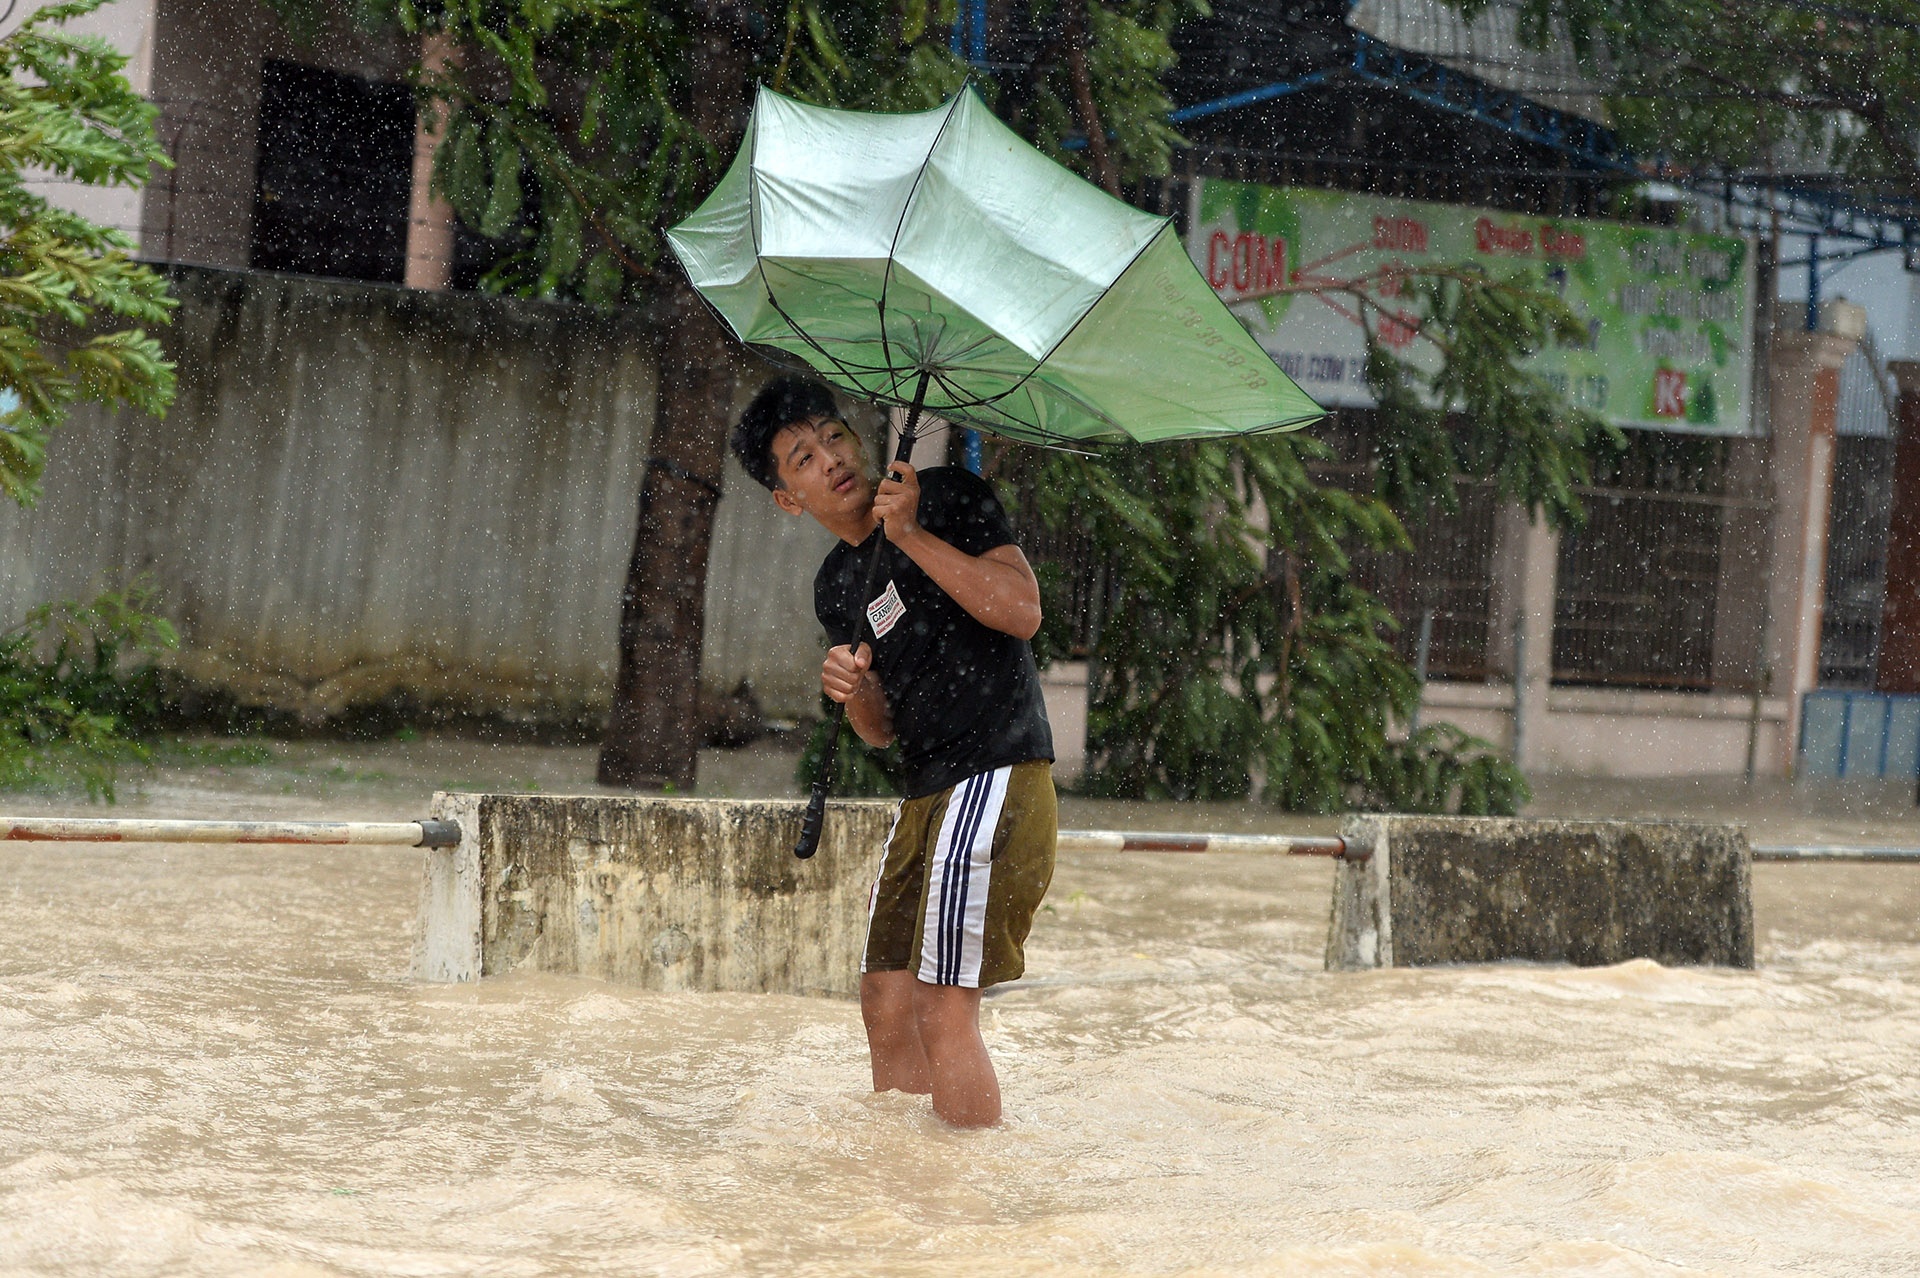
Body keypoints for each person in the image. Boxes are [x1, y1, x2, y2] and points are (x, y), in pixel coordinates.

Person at [730, 376, 1056, 1128]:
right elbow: (879, 731)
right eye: (803, 458)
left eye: (833, 436)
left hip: (998, 772)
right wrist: (852, 688)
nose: (831, 459)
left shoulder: (944, 496)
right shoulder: (835, 584)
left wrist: (909, 535)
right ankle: (904, 1183)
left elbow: (1021, 610)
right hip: (926, 792)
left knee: (945, 1004)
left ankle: (962, 1199)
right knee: (886, 994)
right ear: (788, 498)